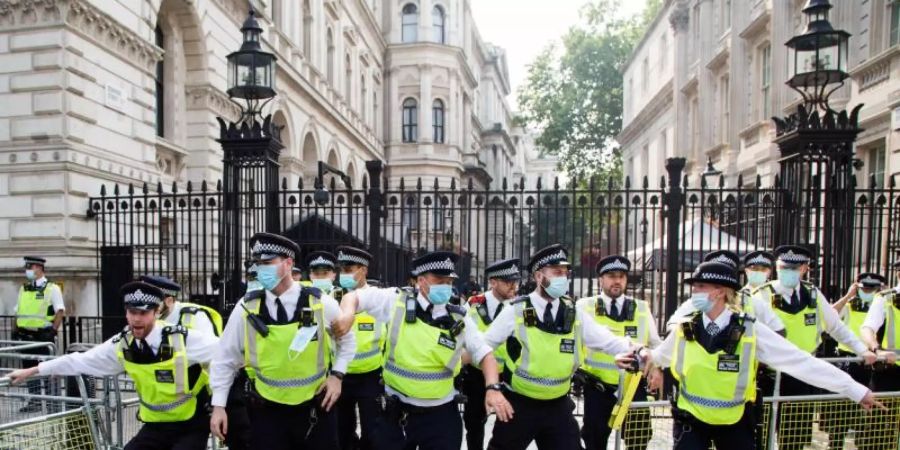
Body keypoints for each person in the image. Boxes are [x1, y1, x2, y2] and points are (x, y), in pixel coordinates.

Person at [617, 262, 885, 450]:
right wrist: (638, 354)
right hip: (691, 422)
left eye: (700, 286)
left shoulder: (749, 329)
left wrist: (855, 390)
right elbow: (658, 357)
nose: (694, 292)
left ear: (720, 291)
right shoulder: (684, 327)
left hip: (734, 423)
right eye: (694, 286)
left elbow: (800, 361)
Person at [334, 250, 512, 450]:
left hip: (441, 416)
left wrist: (492, 388)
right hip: (397, 412)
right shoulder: (396, 301)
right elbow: (355, 297)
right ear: (421, 280)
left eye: (449, 281)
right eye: (439, 279)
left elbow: (485, 354)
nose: (445, 286)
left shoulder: (459, 318)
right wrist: (348, 314)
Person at [9, 281, 219, 449]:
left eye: (143, 313)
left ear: (156, 312)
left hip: (192, 423)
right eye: (131, 312)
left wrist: (220, 405)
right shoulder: (122, 344)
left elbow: (227, 353)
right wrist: (33, 370)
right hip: (156, 425)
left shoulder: (182, 339)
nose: (136, 319)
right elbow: (81, 360)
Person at [480, 244, 640, 450]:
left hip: (557, 406)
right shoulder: (516, 310)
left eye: (565, 273)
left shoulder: (574, 312)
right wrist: (492, 388)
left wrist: (636, 349)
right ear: (539, 277)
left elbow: (608, 341)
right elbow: (483, 348)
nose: (563, 278)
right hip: (519, 405)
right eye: (556, 272)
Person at [209, 232, 356, 450]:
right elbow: (225, 358)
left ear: (288, 264)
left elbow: (348, 342)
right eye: (257, 263)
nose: (261, 269)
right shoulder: (246, 307)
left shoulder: (320, 303)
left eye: (267, 262)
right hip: (267, 412)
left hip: (315, 409)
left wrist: (337, 376)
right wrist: (219, 405)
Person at [751, 245, 877, 450]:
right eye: (783, 267)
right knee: (761, 434)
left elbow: (836, 326)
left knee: (796, 436)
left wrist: (861, 350)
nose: (787, 272)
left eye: (793, 268)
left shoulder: (813, 294)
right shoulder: (761, 295)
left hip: (803, 374)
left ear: (804, 269)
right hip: (767, 373)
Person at [577, 255, 663, 450]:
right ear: (601, 279)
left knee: (638, 438)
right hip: (598, 387)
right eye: (611, 276)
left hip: (633, 386)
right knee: (594, 438)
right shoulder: (585, 306)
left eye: (622, 276)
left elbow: (656, 343)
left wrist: (657, 369)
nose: (617, 281)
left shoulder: (641, 308)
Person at [822, 272, 888, 450]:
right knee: (841, 405)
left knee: (869, 404)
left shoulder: (884, 305)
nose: (867, 292)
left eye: (871, 289)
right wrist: (847, 296)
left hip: (872, 361)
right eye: (863, 288)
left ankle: (862, 443)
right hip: (847, 361)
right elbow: (828, 315)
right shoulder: (850, 304)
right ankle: (835, 443)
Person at [462, 258, 521, 450]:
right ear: (493, 282)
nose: (513, 286)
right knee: (473, 421)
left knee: (508, 423)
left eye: (515, 281)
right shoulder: (474, 303)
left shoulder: (519, 307)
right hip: (477, 374)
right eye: (507, 281)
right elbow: (461, 332)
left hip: (508, 375)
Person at [333, 245, 386, 450]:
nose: (344, 274)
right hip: (340, 375)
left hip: (370, 376)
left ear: (363, 270)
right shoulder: (332, 298)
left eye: (349, 269)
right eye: (342, 270)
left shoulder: (378, 299)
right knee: (342, 431)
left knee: (373, 432)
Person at [667, 251, 784, 335]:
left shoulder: (751, 301)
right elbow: (672, 326)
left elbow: (778, 330)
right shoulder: (697, 301)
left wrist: (759, 357)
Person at [14, 256, 65, 412]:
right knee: (28, 368)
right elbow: (17, 311)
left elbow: (60, 311)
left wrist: (53, 331)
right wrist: (15, 330)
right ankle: (35, 401)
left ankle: (51, 401)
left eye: (30, 267)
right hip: (25, 335)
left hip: (42, 336)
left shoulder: (52, 288)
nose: (27, 270)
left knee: (46, 367)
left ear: (39, 268)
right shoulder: (24, 288)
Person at [141, 275, 222, 336]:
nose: (146, 307)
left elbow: (212, 352)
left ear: (169, 301)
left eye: (153, 302)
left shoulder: (196, 316)